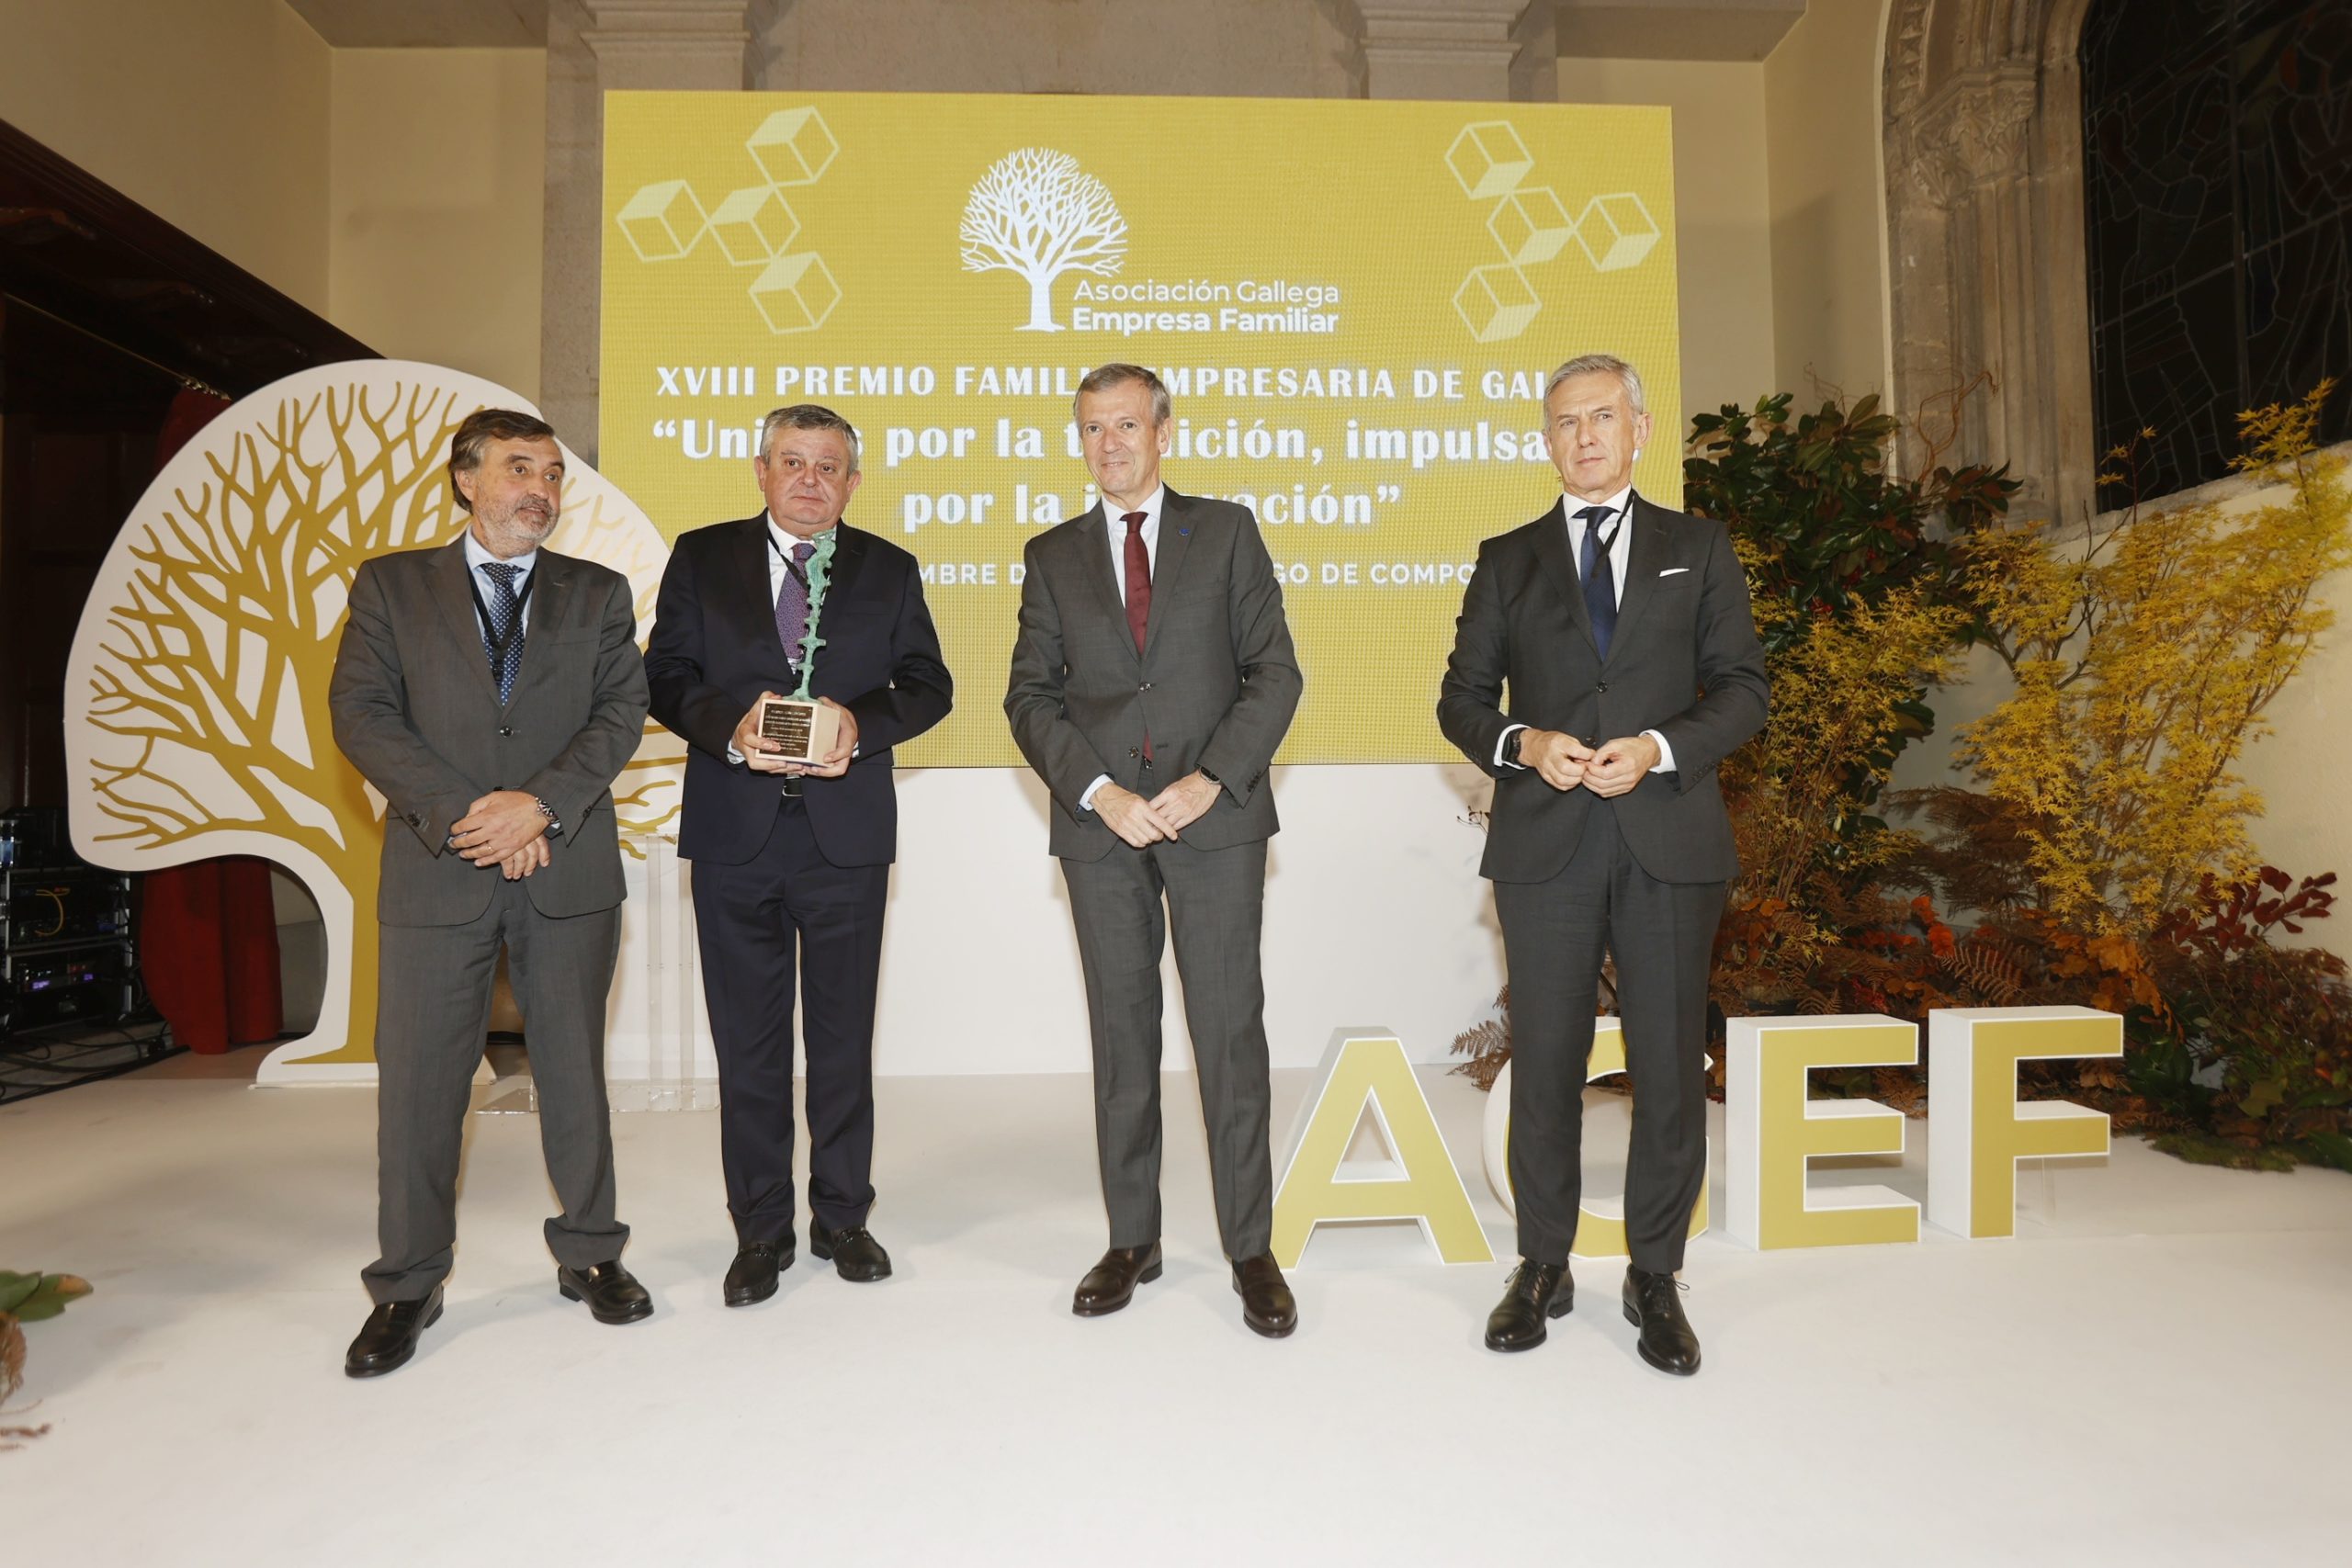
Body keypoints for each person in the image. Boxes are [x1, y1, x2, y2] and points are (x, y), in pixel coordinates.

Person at [1437, 353, 1769, 1376]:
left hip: (1667, 838)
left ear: (1639, 428)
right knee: (1543, 1064)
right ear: (1546, 442)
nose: (1583, 436)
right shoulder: (1506, 559)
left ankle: (1653, 1276)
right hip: (1545, 844)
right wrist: (1524, 745)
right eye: (1564, 422)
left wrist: (1660, 747)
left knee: (1668, 1067)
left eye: (1601, 416)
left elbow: (1743, 691)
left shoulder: (1698, 547)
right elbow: (1459, 700)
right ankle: (1540, 1266)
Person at [330, 408, 654, 1377]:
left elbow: (620, 711)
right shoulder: (393, 585)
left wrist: (540, 809)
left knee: (572, 1073)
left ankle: (592, 1255)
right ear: (465, 479)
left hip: (568, 864)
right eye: (521, 470)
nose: (541, 491)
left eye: (553, 475)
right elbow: (361, 712)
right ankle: (407, 1283)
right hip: (440, 864)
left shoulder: (595, 594)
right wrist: (476, 813)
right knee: (423, 1086)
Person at [1004, 363, 1305, 1337]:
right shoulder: (1050, 556)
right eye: (1093, 429)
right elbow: (1030, 699)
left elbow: (1274, 673)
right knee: (1121, 1038)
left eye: (1126, 425)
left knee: (1227, 1035)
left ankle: (1249, 1247)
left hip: (1213, 822)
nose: (1110, 445)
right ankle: (1132, 1237)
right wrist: (1100, 794)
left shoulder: (1225, 533)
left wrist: (1211, 777)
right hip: (1103, 832)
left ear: (1163, 433)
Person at [645, 404, 951, 1307]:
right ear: (761, 470)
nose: (811, 479)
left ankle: (843, 1218)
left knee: (843, 1041)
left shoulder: (888, 569)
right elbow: (665, 676)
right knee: (748, 1049)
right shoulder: (701, 556)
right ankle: (760, 1231)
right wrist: (729, 731)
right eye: (793, 461)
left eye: (829, 466)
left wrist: (862, 725)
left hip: (843, 842)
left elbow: (928, 686)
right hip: (734, 837)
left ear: (852, 483)